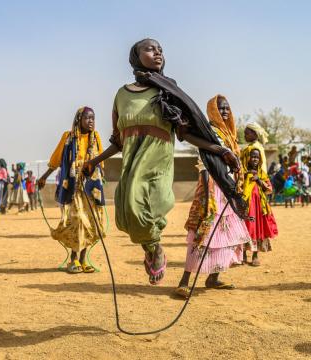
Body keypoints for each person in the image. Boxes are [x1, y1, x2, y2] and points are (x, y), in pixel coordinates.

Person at [84, 38, 246, 285]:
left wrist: (219, 149)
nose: (157, 52)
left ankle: (155, 248)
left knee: (138, 205)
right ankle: (152, 248)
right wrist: (93, 161)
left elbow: (185, 132)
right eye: (149, 49)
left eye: (160, 49)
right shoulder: (121, 95)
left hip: (157, 161)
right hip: (131, 161)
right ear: (136, 57)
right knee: (125, 215)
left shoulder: (167, 90)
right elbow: (118, 141)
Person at [175, 95, 251, 298]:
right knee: (203, 233)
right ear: (212, 111)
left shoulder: (229, 135)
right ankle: (184, 281)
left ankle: (213, 278)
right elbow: (204, 159)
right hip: (212, 187)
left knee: (228, 235)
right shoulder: (209, 132)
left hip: (229, 190)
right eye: (221, 109)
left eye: (227, 108)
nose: (225, 112)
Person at [38, 107, 105, 274]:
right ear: (78, 120)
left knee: (90, 223)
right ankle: (73, 259)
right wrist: (44, 177)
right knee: (77, 220)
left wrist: (98, 177)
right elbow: (56, 159)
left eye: (93, 118)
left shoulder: (95, 138)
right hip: (73, 188)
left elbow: (101, 162)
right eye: (87, 118)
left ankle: (83, 259)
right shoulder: (68, 138)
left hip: (91, 187)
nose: (91, 121)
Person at [241, 148, 278, 266]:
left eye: (257, 157)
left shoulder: (261, 173)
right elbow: (237, 187)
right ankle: (242, 255)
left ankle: (255, 255)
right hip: (245, 206)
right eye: (252, 156)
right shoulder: (242, 172)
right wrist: (245, 176)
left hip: (258, 207)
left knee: (257, 228)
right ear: (247, 157)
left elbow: (269, 189)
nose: (255, 159)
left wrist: (259, 180)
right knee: (244, 228)